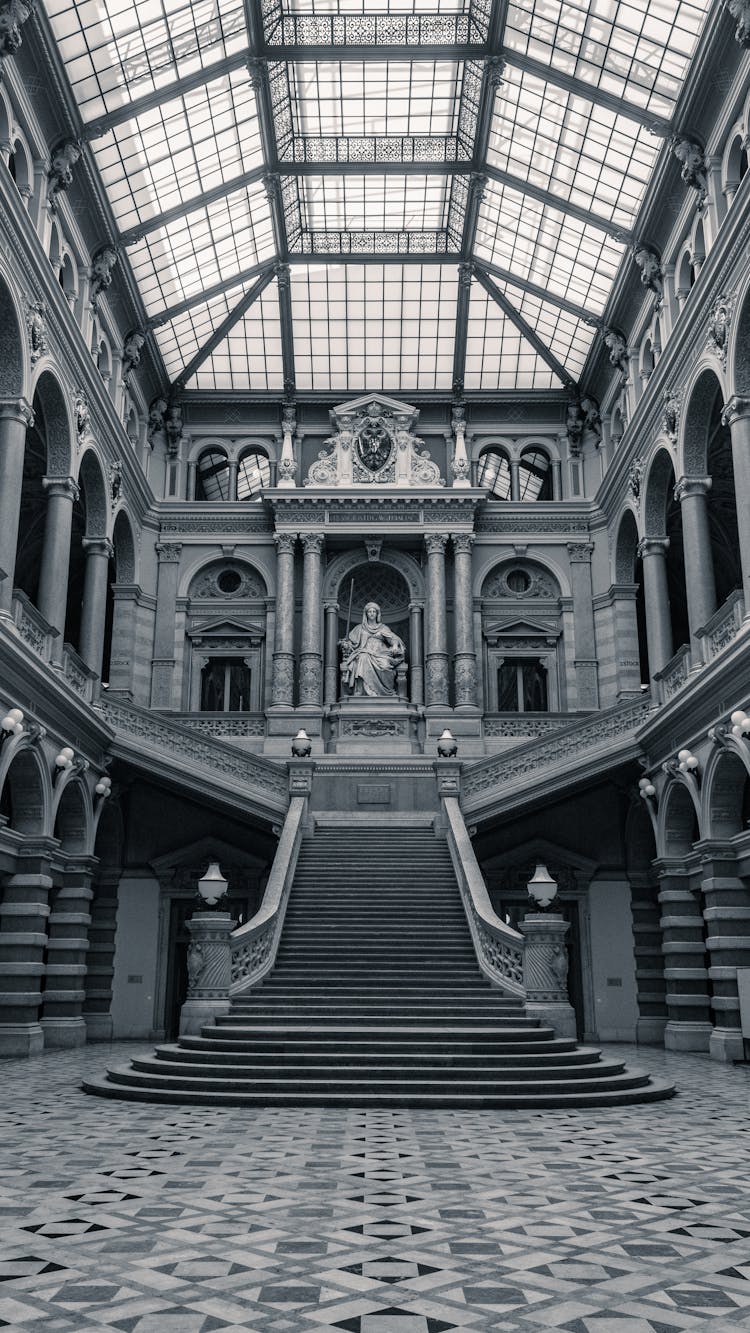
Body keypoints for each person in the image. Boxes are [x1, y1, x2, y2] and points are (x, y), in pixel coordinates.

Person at [340, 602, 405, 698]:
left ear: (377, 614)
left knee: (385, 666)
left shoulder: (383, 628)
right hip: (364, 652)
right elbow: (351, 643)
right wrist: (346, 644)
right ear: (366, 614)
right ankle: (362, 691)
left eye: (374, 611)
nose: (371, 613)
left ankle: (386, 692)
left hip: (381, 653)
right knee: (363, 657)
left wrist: (395, 645)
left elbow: (393, 639)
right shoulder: (359, 628)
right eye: (369, 611)